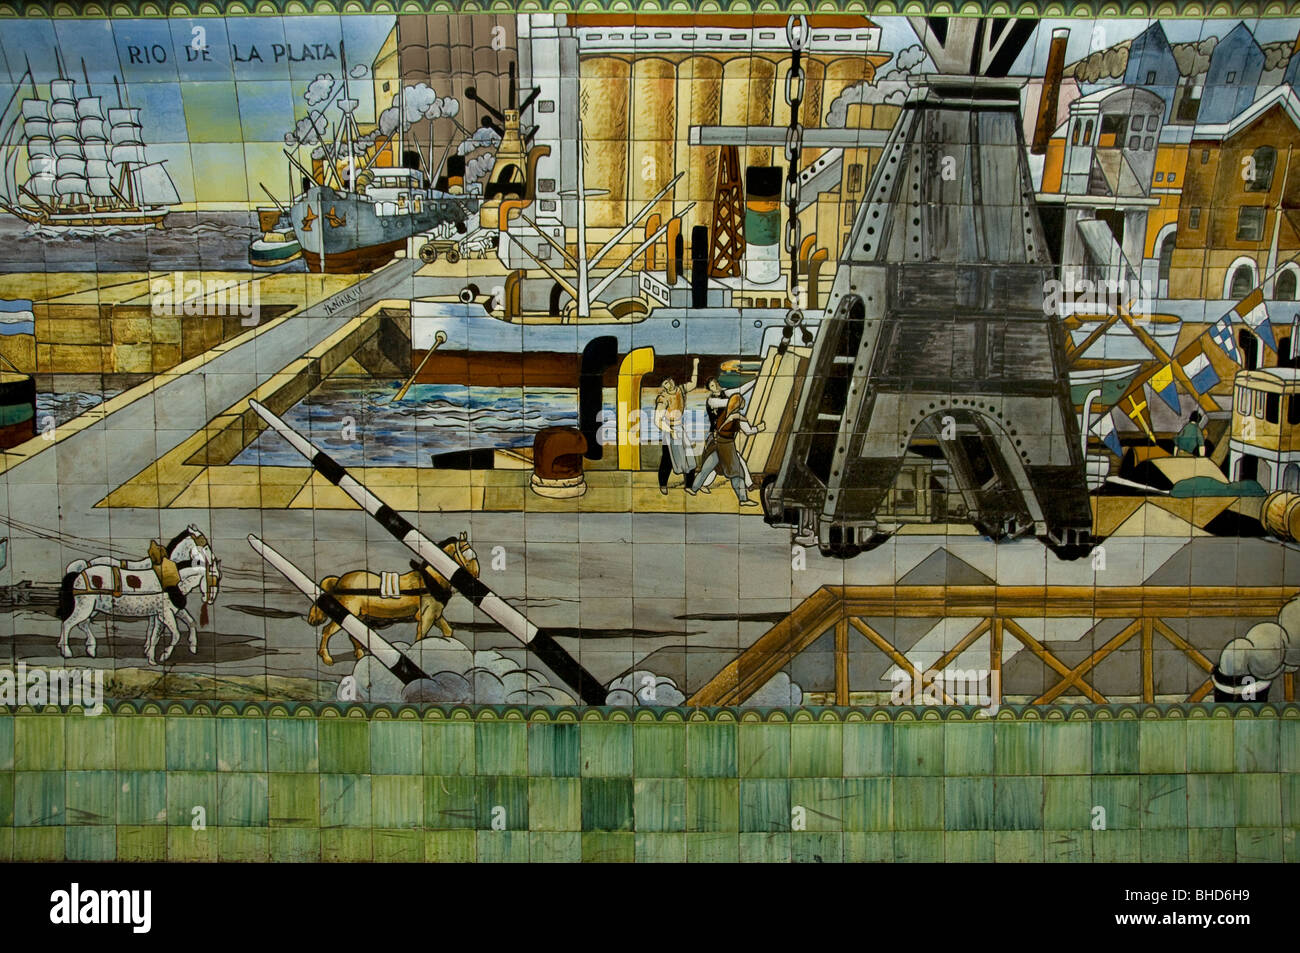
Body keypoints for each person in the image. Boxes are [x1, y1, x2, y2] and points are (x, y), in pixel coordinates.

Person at [687, 392, 765, 505]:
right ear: (738, 405)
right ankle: (743, 499)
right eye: (742, 401)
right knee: (736, 473)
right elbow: (749, 431)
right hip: (727, 447)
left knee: (706, 468)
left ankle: (693, 489)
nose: (744, 403)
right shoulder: (738, 418)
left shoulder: (723, 414)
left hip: (717, 444)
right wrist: (759, 428)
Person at [693, 375, 757, 494]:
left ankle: (702, 484)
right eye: (712, 385)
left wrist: (756, 379)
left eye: (716, 383)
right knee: (727, 460)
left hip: (723, 435)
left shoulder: (725, 393)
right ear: (709, 389)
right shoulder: (712, 401)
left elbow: (740, 390)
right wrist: (738, 401)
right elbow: (731, 402)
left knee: (716, 463)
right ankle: (749, 484)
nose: (716, 386)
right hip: (716, 436)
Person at [653, 358, 700, 494]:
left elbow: (693, 383)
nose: (669, 384)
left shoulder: (680, 390)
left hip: (680, 429)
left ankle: (688, 486)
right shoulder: (663, 398)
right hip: (670, 431)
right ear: (663, 386)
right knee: (668, 460)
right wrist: (670, 431)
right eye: (665, 383)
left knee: (689, 457)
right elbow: (658, 420)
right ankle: (663, 484)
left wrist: (695, 366)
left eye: (669, 381)